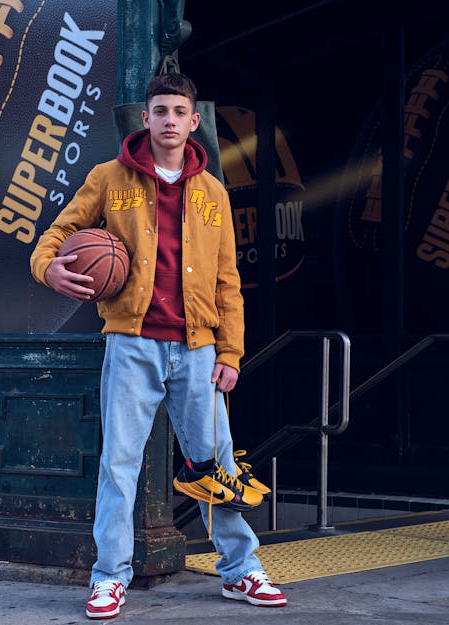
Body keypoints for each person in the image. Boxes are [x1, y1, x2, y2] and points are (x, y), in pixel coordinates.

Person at [30, 72, 287, 619]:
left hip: (198, 350)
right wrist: (47, 267)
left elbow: (228, 282)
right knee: (119, 465)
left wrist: (230, 353)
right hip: (132, 345)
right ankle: (109, 578)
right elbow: (57, 233)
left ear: (194, 122)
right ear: (145, 118)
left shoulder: (212, 191)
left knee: (218, 469)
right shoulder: (108, 178)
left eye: (179, 111)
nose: (169, 120)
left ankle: (241, 572)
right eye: (160, 111)